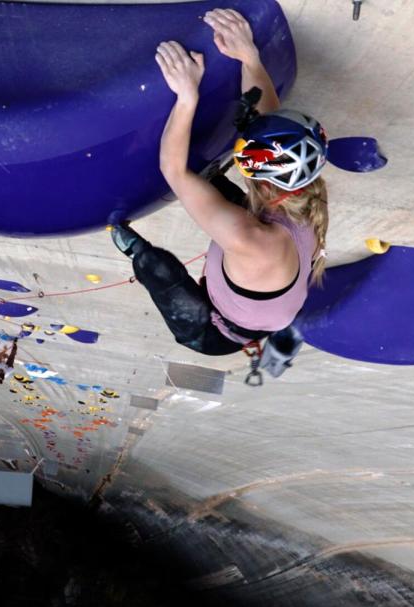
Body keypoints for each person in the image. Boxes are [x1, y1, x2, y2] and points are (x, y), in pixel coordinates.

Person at [111, 8, 327, 359]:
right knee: (214, 192)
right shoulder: (308, 189)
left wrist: (186, 97)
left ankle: (134, 250)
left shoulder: (249, 237)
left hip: (218, 334)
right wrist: (249, 57)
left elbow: (174, 171)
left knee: (160, 270)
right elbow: (267, 123)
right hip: (269, 297)